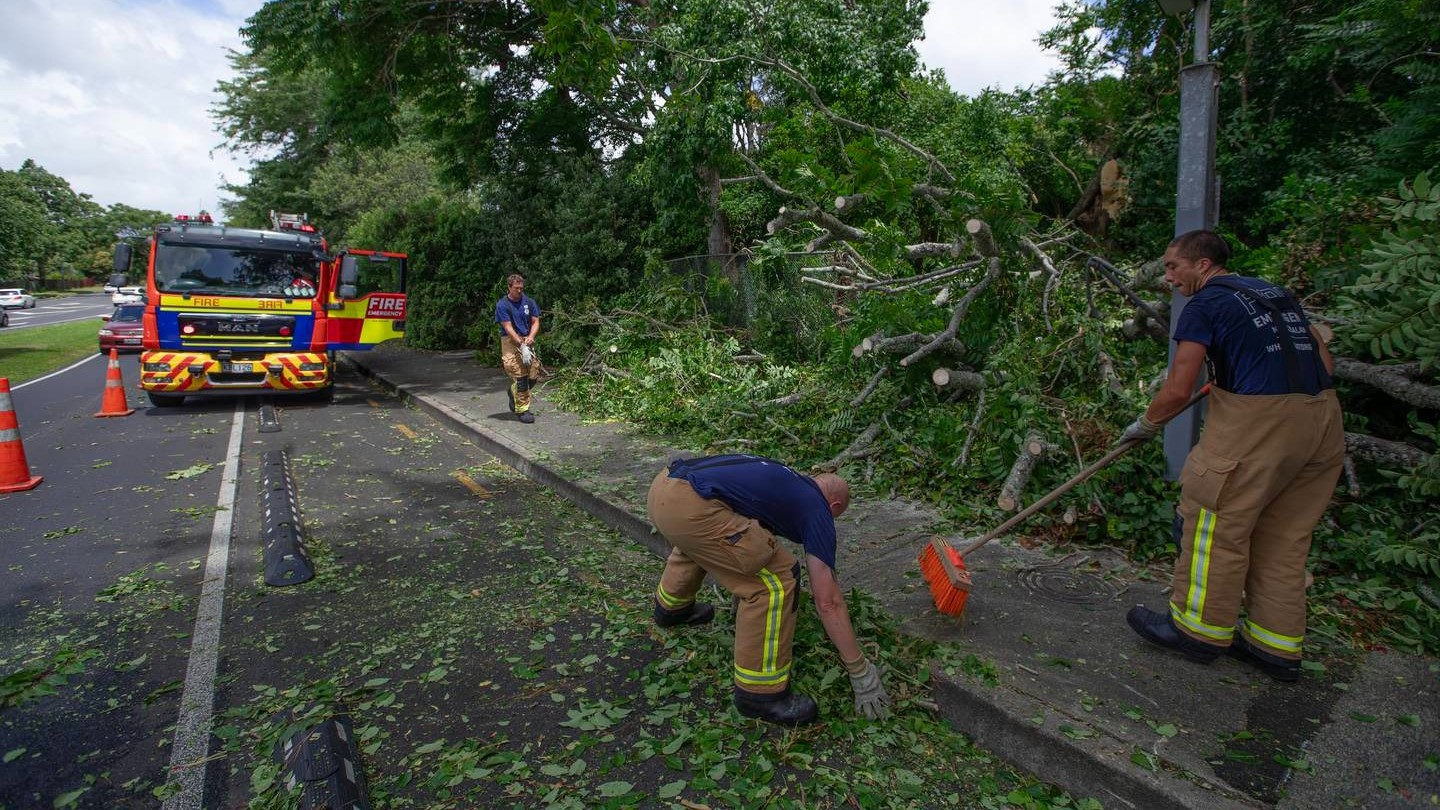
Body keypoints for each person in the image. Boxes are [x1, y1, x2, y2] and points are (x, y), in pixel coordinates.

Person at [1122, 229, 1343, 683]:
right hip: (1321, 421)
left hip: (1259, 421)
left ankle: (1197, 632)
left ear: (1203, 265)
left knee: (1211, 517)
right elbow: (1324, 358)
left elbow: (1179, 388)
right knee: (1283, 535)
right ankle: (1275, 648)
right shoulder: (1272, 292)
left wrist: (1147, 425)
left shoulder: (1203, 304)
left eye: (1172, 266)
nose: (1168, 277)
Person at [646, 454, 892, 726]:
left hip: (664, 488)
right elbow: (828, 601)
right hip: (692, 509)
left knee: (703, 541)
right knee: (778, 580)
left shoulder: (782, 478)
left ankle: (672, 609)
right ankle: (760, 694)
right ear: (834, 506)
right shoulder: (817, 509)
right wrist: (859, 670)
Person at [494, 274, 542, 423]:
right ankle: (523, 410)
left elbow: (535, 321)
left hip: (526, 338)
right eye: (516, 288)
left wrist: (531, 338)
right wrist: (521, 345)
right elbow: (508, 328)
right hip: (510, 340)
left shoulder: (529, 302)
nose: (519, 291)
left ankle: (513, 391)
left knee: (533, 376)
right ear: (509, 287)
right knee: (520, 376)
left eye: (521, 288)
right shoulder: (502, 305)